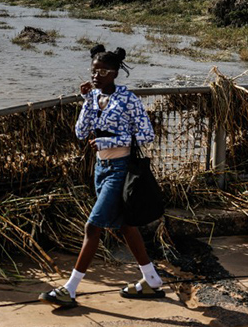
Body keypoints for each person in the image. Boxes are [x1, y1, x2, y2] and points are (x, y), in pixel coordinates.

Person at [40, 44, 165, 309]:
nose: (96, 76)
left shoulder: (128, 99)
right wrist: (86, 101)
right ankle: (151, 280)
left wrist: (109, 140)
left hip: (120, 168)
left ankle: (70, 289)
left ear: (115, 73)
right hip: (101, 169)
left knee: (92, 226)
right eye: (94, 70)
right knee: (125, 225)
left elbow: (146, 135)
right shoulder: (93, 98)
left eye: (103, 71)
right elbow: (79, 132)